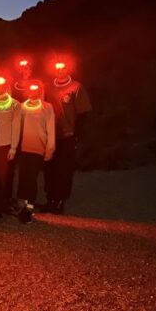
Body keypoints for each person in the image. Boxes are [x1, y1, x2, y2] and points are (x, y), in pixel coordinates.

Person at [43, 61, 92, 214]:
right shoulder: (48, 86)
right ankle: (50, 199)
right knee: (50, 168)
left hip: (68, 135)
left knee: (64, 169)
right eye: (57, 69)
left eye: (63, 68)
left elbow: (83, 113)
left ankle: (60, 200)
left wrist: (77, 135)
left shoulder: (76, 87)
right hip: (51, 134)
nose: (60, 71)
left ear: (69, 69)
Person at [15, 80, 55, 223]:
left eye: (36, 89)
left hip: (38, 148)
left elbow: (51, 128)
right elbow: (17, 127)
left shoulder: (47, 107)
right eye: (30, 89)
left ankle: (29, 208)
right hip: (23, 148)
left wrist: (50, 149)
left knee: (32, 178)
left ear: (40, 90)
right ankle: (22, 204)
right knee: (23, 177)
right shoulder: (22, 107)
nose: (33, 91)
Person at [0, 74, 22, 216]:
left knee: (4, 176)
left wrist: (13, 147)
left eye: (2, 85)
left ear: (7, 86)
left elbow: (16, 126)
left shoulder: (15, 104)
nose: (0, 87)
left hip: (6, 145)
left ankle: (4, 204)